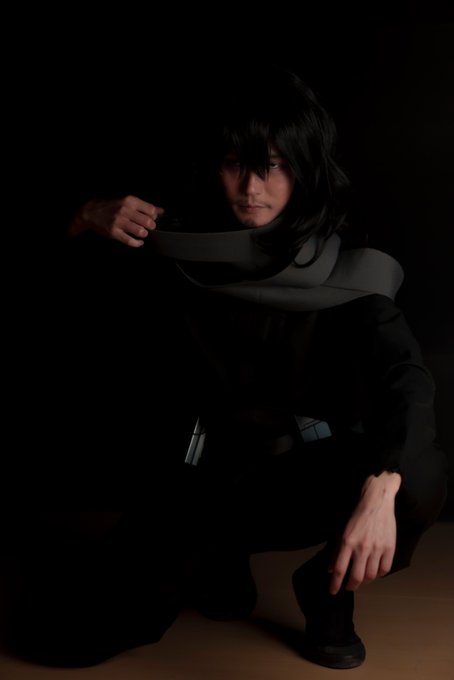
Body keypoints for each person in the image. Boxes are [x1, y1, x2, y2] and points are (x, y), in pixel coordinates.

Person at [4, 66, 447, 670]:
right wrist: (83, 216)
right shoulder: (172, 247)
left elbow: (408, 381)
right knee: (67, 641)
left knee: (418, 477)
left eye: (275, 165)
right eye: (236, 164)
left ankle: (326, 589)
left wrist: (381, 485)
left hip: (304, 474)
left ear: (305, 170)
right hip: (198, 476)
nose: (251, 187)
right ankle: (218, 556)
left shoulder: (350, 271)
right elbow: (46, 312)